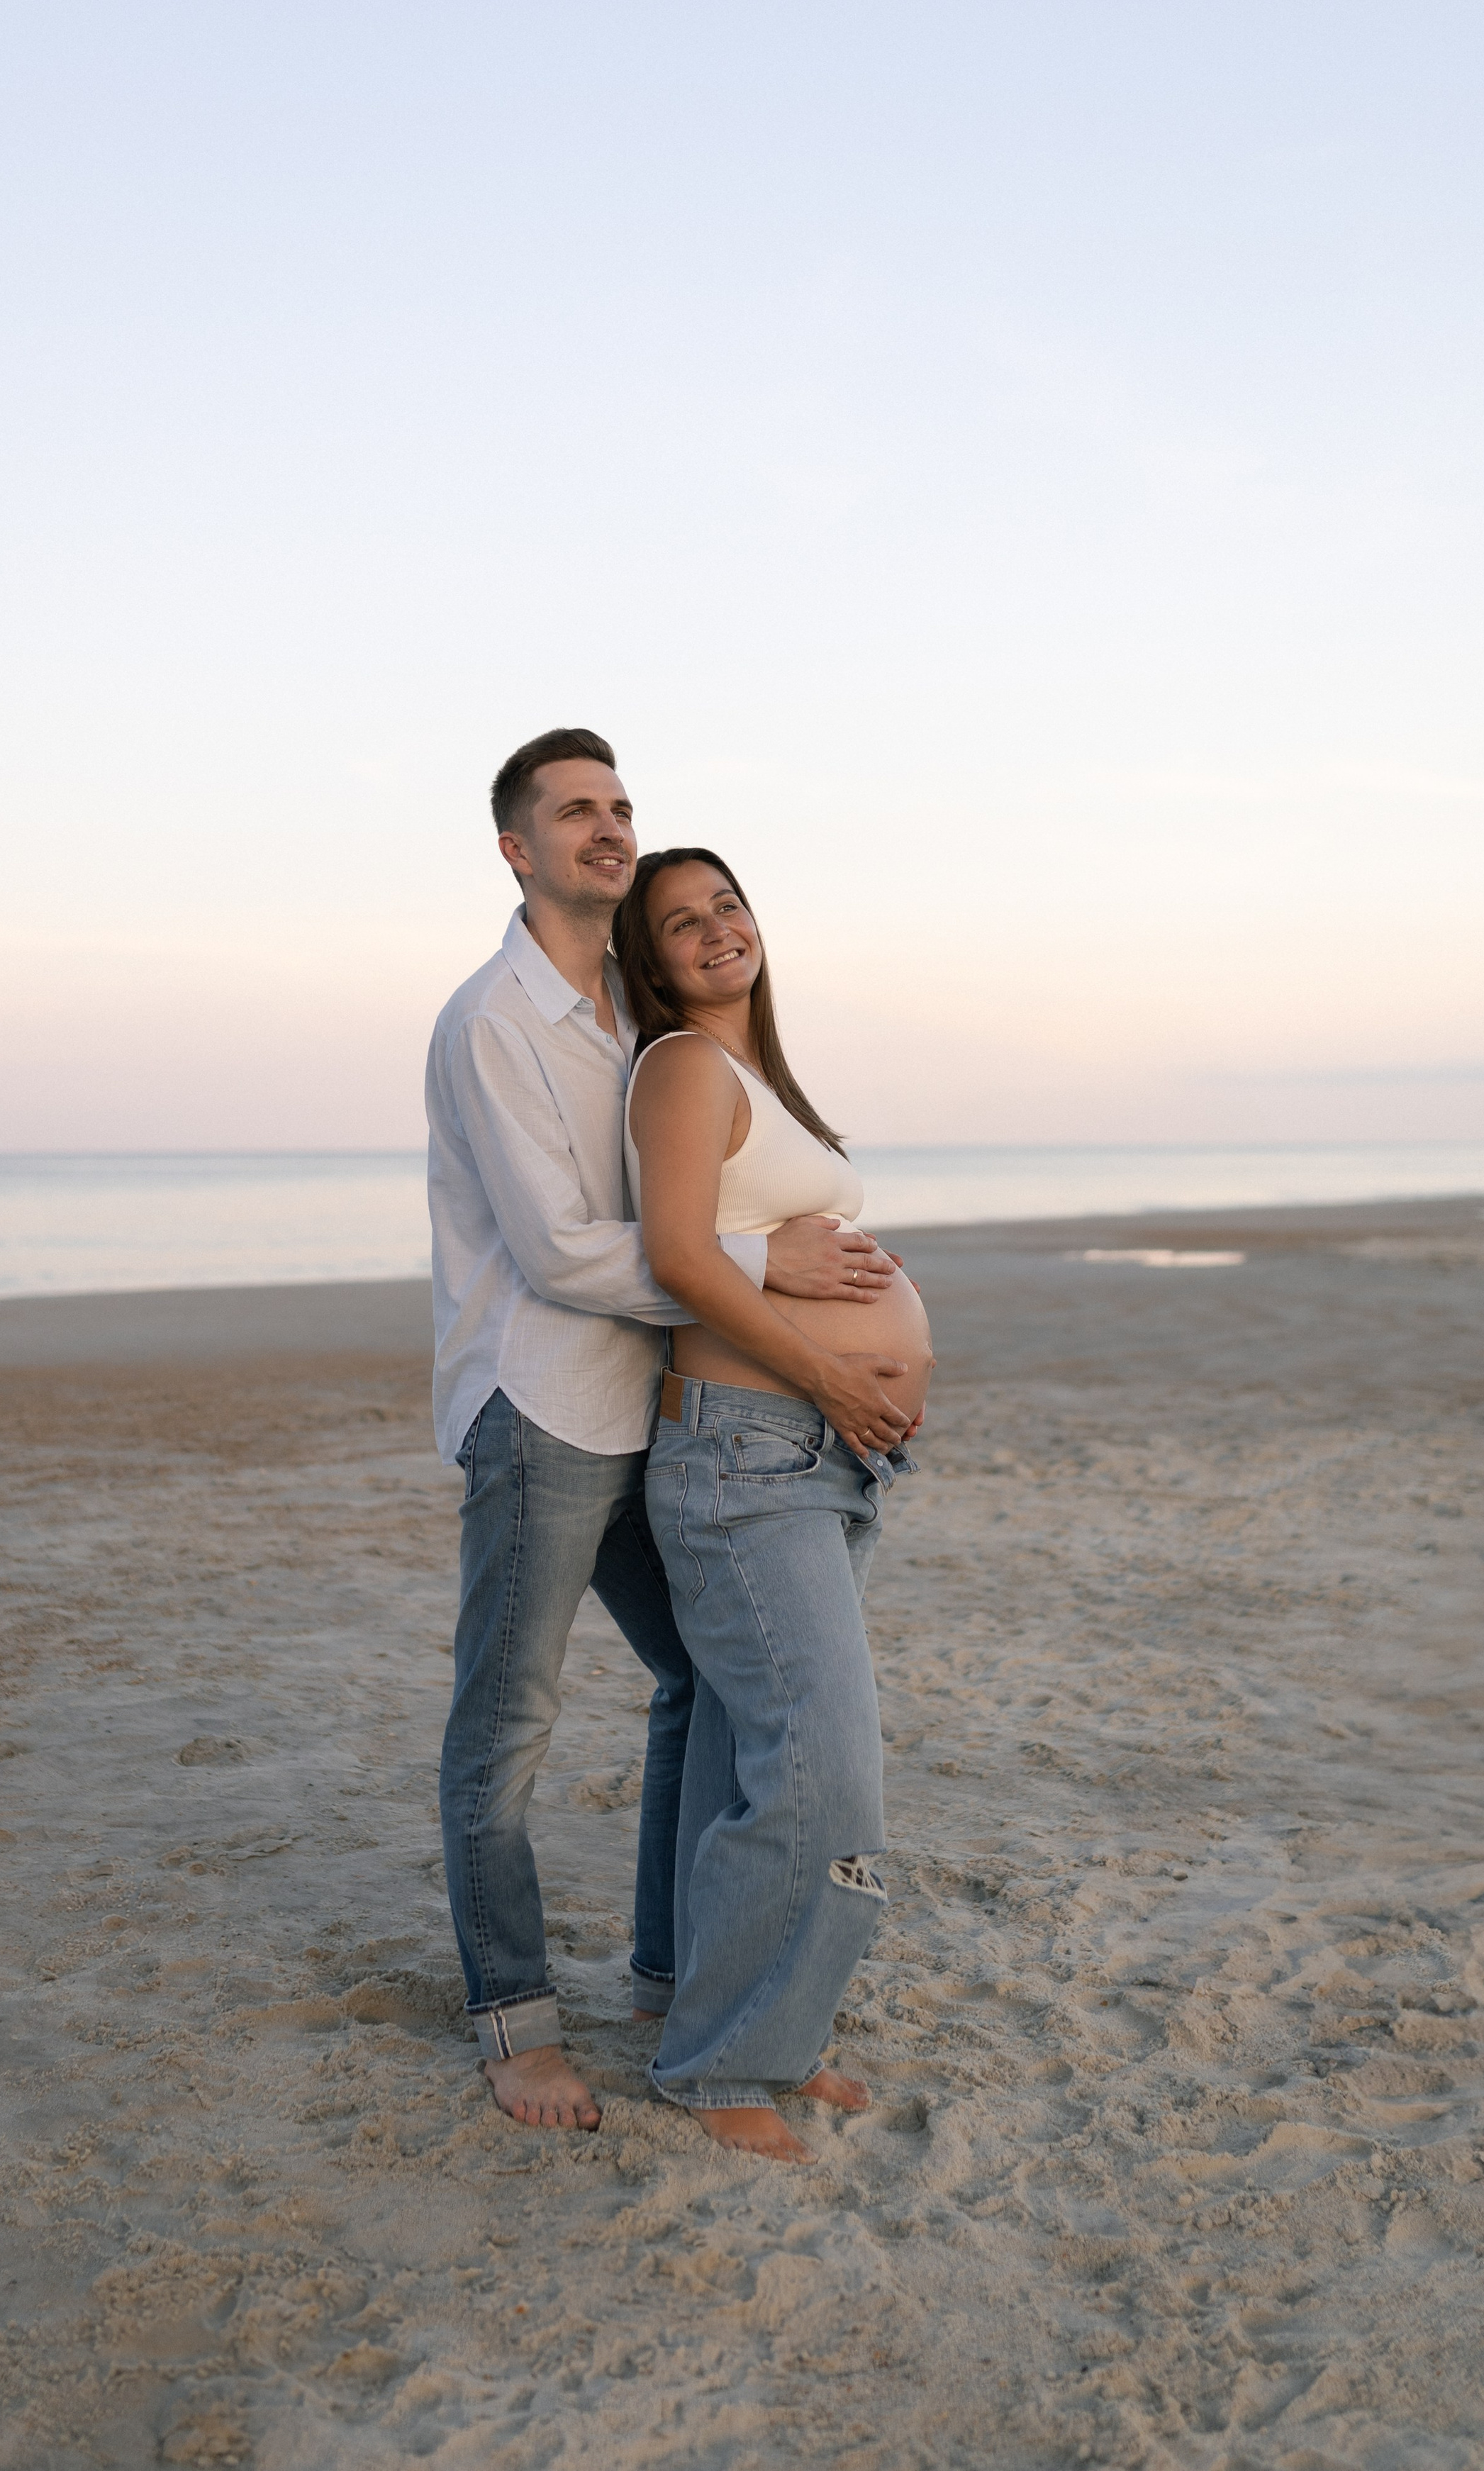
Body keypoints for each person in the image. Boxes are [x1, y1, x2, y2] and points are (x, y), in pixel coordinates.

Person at [425, 731, 907, 2132]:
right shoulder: (493, 1022)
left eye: (619, 803)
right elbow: (567, 1251)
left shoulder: (636, 1019)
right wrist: (777, 1278)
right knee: (504, 1723)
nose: (606, 825)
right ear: (516, 847)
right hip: (539, 1406)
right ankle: (513, 2021)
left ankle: (671, 1981)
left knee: (702, 1678)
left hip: (652, 1406)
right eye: (574, 811)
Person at [613, 845, 934, 2162]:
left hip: (816, 1461)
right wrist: (829, 1370)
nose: (713, 930)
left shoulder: (757, 1081)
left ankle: (757, 2033)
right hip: (750, 1460)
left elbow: (772, 1240)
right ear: (652, 959)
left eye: (727, 904)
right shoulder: (682, 1067)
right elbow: (679, 1254)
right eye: (681, 922)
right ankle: (721, 2061)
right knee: (822, 1769)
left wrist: (864, 1292)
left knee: (763, 1751)